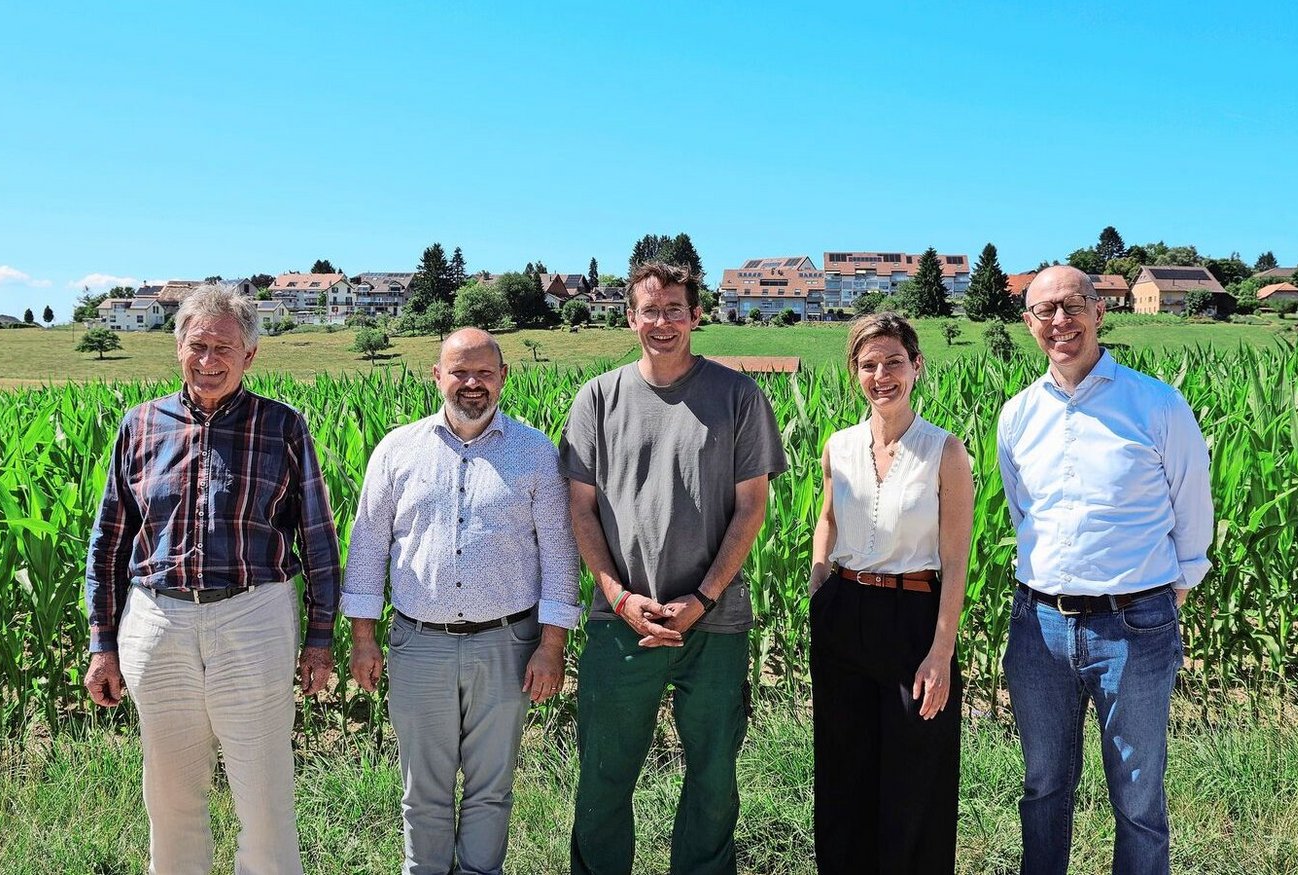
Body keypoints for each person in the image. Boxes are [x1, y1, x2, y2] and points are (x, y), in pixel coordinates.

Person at [82, 284, 340, 874]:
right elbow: (110, 543)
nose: (209, 360)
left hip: (253, 614)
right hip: (157, 618)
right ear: (178, 349)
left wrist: (321, 638)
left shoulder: (283, 427)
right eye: (197, 345)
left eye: (223, 347)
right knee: (169, 796)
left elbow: (318, 540)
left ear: (249, 356)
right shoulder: (140, 426)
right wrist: (103, 643)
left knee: (266, 796)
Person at [559, 260, 788, 875]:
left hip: (713, 626)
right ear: (630, 316)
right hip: (619, 623)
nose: (663, 322)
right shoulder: (598, 399)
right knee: (604, 780)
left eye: (675, 310)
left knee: (714, 780)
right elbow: (580, 510)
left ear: (696, 315)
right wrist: (620, 596)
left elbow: (751, 507)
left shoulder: (738, 396)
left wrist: (703, 599)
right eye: (650, 310)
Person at [998, 265, 1213, 875]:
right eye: (1045, 311)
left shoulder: (1155, 403)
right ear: (1029, 322)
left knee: (1138, 795)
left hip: (1134, 623)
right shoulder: (1017, 416)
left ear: (1098, 311)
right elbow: (1024, 513)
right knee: (1042, 786)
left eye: (1072, 305)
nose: (1060, 321)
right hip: (1039, 624)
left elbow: (1191, 507)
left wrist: (1176, 588)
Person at [343, 328, 581, 875]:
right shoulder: (397, 450)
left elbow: (559, 554)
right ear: (437, 376)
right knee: (421, 790)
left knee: (491, 789)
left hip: (508, 645)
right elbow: (367, 546)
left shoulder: (536, 452)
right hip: (418, 644)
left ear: (503, 378)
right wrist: (362, 637)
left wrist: (551, 645)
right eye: (459, 372)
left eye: (484, 372)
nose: (472, 384)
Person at [807, 312, 973, 874]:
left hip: (914, 618)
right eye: (869, 364)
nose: (882, 375)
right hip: (845, 611)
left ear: (917, 367)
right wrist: (819, 581)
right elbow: (826, 519)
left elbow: (955, 560)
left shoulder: (946, 452)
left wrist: (941, 652)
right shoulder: (839, 447)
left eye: (894, 362)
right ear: (855, 372)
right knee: (842, 770)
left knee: (915, 779)